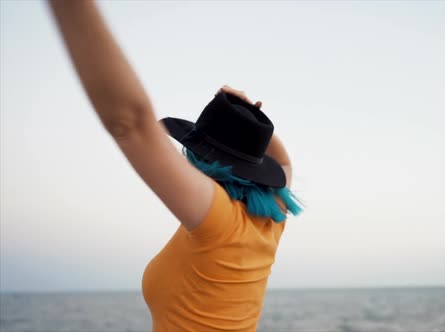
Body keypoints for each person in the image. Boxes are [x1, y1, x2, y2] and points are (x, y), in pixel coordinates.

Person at [48, 1, 302, 331]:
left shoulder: (218, 218)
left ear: (199, 157)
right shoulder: (271, 219)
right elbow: (282, 163)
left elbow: (130, 123)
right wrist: (248, 120)